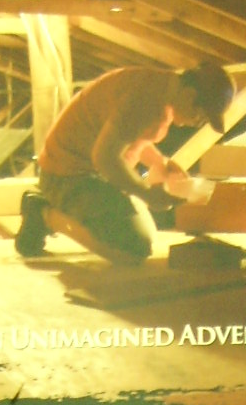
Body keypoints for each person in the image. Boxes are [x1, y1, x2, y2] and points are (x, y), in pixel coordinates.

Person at [16, 61, 233, 262]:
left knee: (144, 228)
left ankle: (58, 204)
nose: (197, 123)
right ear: (189, 94)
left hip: (84, 170)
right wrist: (146, 193)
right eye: (201, 116)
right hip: (67, 174)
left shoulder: (160, 89)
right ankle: (45, 213)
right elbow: (104, 158)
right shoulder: (146, 101)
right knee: (134, 248)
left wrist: (159, 162)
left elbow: (125, 134)